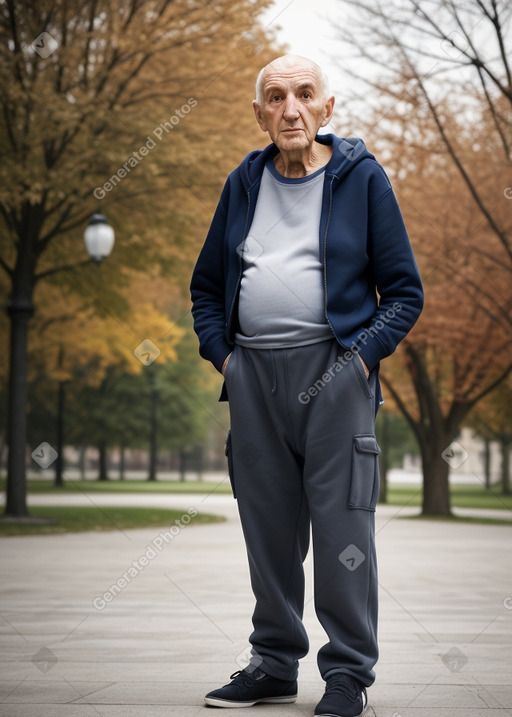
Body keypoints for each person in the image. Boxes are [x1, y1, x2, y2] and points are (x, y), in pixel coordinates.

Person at [190, 54, 423, 717]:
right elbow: (206, 287)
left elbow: (404, 292)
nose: (289, 108)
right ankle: (272, 663)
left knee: (344, 525)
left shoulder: (362, 179)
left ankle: (348, 672)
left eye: (303, 94)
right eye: (274, 97)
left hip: (336, 370)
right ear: (260, 112)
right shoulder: (243, 181)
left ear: (326, 108)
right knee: (267, 525)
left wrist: (358, 361)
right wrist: (225, 358)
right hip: (254, 373)